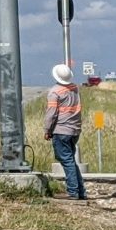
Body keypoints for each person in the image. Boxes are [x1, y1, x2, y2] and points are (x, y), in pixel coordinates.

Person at [45, 63, 87, 201]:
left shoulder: (54, 92)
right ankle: (80, 191)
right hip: (74, 129)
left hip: (61, 129)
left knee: (67, 160)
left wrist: (47, 130)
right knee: (70, 160)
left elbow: (51, 114)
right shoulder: (74, 88)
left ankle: (73, 192)